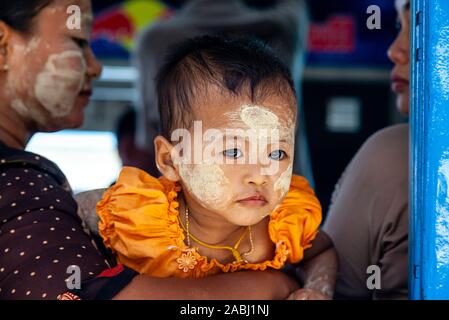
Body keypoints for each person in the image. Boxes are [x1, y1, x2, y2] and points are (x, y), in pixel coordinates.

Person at [0, 0, 320, 300]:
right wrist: (270, 286)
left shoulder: (283, 224)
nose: (96, 67)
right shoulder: (124, 213)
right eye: (79, 42)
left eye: (277, 153)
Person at [74, 35, 337, 300]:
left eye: (277, 152)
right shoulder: (138, 214)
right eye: (233, 151)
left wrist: (316, 289)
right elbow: (66, 210)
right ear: (171, 160)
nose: (260, 174)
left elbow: (322, 252)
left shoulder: (285, 224)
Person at [134, 0, 314, 184]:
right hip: (286, 195)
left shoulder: (154, 41)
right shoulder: (283, 27)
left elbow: (147, 138)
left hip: (187, 199)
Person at [322, 0, 410, 299]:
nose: (394, 50)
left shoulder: (394, 153)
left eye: (420, 26)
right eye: (400, 27)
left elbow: (331, 288)